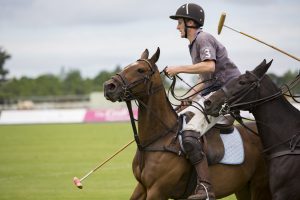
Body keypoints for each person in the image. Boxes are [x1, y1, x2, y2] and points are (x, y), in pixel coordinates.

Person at [166, 3, 241, 200]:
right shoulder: (193, 44)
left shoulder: (203, 38)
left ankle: (206, 189)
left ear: (190, 22)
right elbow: (203, 80)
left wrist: (178, 69)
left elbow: (209, 66)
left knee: (190, 133)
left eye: (179, 22)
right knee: (178, 118)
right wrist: (188, 98)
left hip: (227, 92)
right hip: (213, 91)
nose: (177, 27)